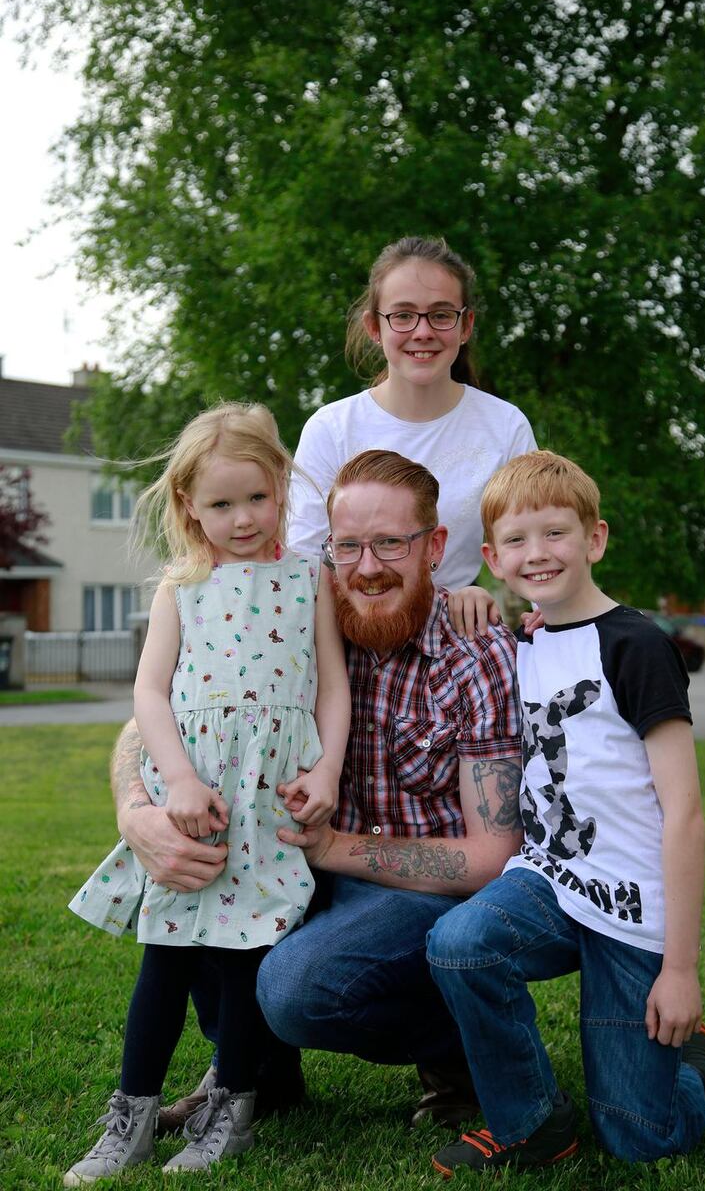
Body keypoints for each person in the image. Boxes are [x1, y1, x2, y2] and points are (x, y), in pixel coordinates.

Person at [112, 449, 523, 1133]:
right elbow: (154, 718)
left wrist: (332, 847)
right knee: (209, 879)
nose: (367, 566)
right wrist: (138, 811)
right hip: (308, 863)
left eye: (391, 542)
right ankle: (254, 1074)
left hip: (426, 892)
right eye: (349, 545)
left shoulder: (474, 652)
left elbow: (489, 858)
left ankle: (459, 1047)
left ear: (435, 546)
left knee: (298, 987)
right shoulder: (298, 609)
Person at [426, 450, 705, 1177]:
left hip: (632, 906)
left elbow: (685, 814)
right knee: (460, 941)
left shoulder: (637, 647)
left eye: (555, 533)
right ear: (494, 559)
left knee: (641, 1138)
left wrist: (681, 970)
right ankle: (529, 1123)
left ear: (594, 539)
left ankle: (698, 1068)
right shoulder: (527, 643)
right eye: (517, 540)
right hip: (552, 882)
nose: (538, 552)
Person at [63, 402, 349, 1184]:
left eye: (256, 498)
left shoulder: (308, 579)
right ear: (189, 504)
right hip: (194, 800)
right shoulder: (180, 586)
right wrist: (178, 782)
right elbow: (149, 694)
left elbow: (332, 687)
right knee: (165, 959)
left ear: (282, 486)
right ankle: (130, 1117)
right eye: (221, 503)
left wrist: (325, 772)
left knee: (244, 963)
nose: (242, 517)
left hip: (267, 801)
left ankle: (234, 1108)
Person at [288, 235, 537, 635]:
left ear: (465, 325)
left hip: (455, 646)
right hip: (349, 643)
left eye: (440, 315)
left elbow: (535, 545)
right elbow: (304, 567)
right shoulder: (331, 429)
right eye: (403, 316)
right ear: (374, 326)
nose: (422, 331)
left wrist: (475, 593)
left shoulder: (505, 427)